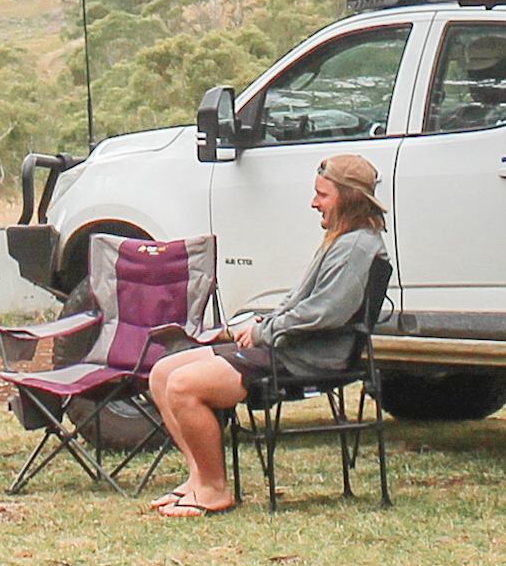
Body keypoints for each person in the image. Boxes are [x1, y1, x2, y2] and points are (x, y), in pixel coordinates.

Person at [143, 153, 388, 518]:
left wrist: (264, 331)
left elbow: (325, 313)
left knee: (183, 385)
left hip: (306, 357)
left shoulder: (356, 248)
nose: (313, 202)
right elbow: (303, 302)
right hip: (288, 346)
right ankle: (197, 479)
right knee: (162, 373)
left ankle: (214, 490)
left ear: (349, 198)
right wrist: (262, 321)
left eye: (323, 195)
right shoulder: (342, 240)